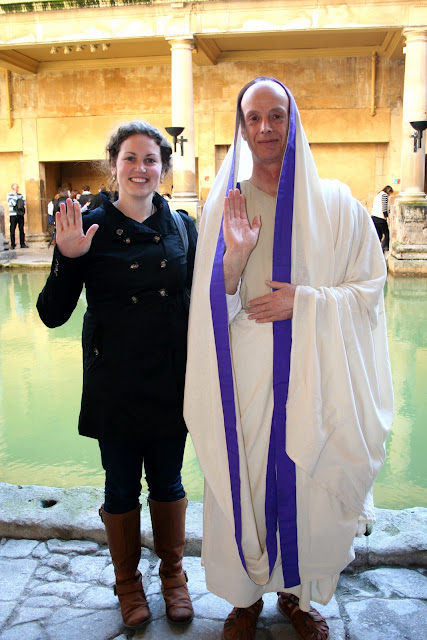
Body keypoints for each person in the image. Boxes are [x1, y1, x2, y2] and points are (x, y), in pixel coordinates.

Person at [184, 77, 393, 640]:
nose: (265, 128)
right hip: (247, 376)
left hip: (315, 375)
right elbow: (209, 303)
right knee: (246, 483)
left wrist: (304, 302)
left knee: (308, 485)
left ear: (293, 121)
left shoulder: (338, 206)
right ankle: (245, 599)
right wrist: (234, 259)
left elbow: (370, 289)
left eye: (276, 115)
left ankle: (297, 597)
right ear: (242, 128)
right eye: (253, 118)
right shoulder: (225, 204)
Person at [37, 120, 197, 630]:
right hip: (117, 383)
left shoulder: (182, 226)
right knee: (122, 487)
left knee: (168, 482)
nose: (140, 168)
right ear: (113, 164)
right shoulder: (88, 226)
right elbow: (51, 314)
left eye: (151, 159)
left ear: (163, 169)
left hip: (171, 379)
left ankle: (173, 576)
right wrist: (68, 259)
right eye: (130, 158)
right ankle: (127, 583)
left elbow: (202, 303)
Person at [371, 185, 393, 252]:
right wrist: (387, 217)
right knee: (386, 233)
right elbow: (384, 207)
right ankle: (385, 248)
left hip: (374, 217)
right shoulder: (384, 195)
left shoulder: (378, 195)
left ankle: (376, 248)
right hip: (380, 218)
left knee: (378, 234)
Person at [7, 183, 28, 249]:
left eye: (17, 187)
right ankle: (13, 244)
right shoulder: (9, 195)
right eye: (16, 187)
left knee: (21, 229)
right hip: (13, 215)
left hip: (20, 214)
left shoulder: (20, 195)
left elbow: (24, 202)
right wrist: (16, 198)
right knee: (12, 229)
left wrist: (18, 200)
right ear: (13, 188)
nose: (17, 189)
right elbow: (12, 203)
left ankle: (22, 243)